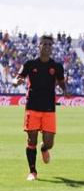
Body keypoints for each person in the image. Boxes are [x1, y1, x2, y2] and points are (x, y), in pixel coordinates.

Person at [12, 34, 68, 181]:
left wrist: (65, 89)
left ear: (52, 48)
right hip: (32, 106)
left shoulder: (56, 67)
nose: (47, 47)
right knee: (31, 140)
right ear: (39, 46)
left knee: (49, 143)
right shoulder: (30, 64)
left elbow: (61, 82)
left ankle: (44, 149)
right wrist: (17, 81)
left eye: (49, 44)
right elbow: (19, 76)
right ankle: (33, 172)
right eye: (44, 44)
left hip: (49, 108)